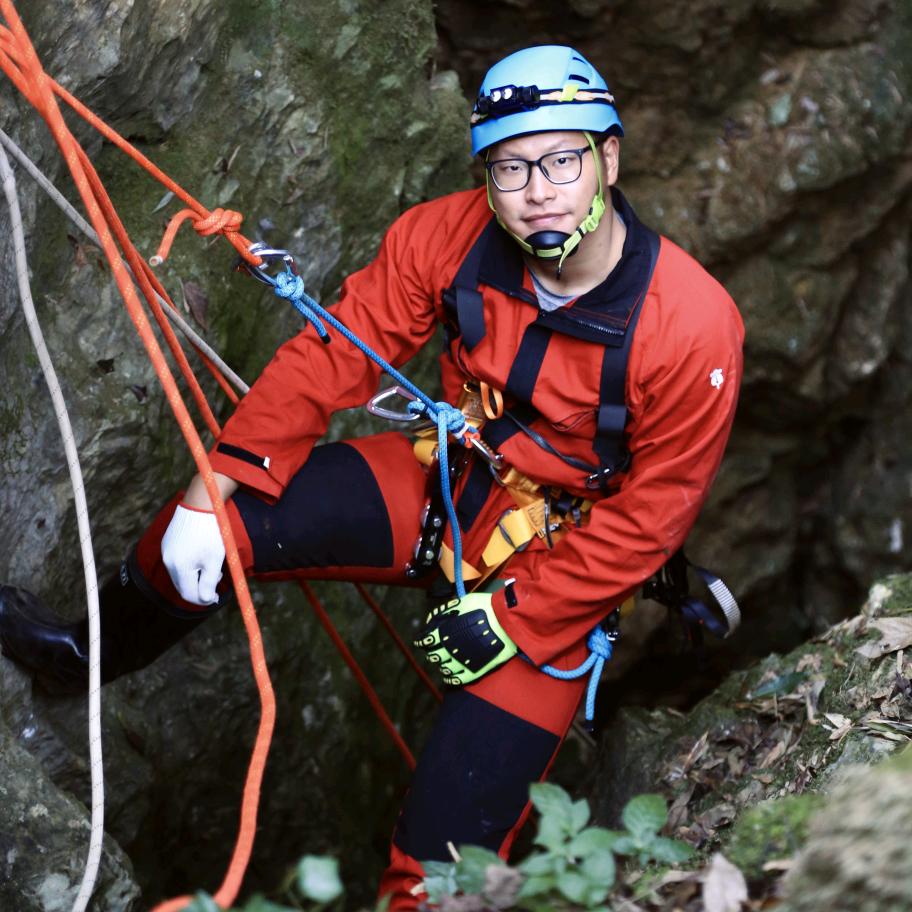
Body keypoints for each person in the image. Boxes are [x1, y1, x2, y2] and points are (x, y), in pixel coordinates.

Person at [0, 45, 743, 909]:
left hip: (567, 565)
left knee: (440, 873)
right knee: (203, 532)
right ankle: (83, 656)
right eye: (509, 168)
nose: (537, 190)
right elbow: (333, 355)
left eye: (561, 161)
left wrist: (514, 618)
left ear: (608, 159)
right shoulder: (447, 237)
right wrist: (214, 488)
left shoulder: (692, 328)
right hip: (448, 487)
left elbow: (651, 518)